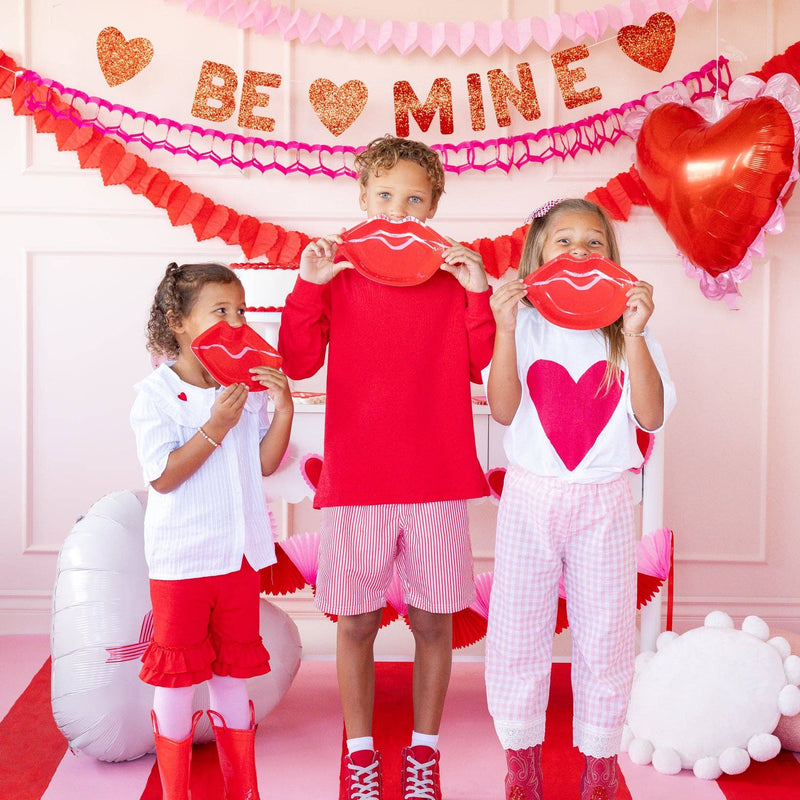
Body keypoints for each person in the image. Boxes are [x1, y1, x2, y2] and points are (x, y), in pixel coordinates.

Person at [278, 135, 495, 800]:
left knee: (434, 621)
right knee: (357, 621)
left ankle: (425, 755)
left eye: (413, 199)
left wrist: (478, 292)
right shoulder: (337, 272)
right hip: (360, 479)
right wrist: (309, 285)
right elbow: (297, 361)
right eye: (383, 196)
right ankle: (362, 756)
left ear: (433, 206)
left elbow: (477, 361)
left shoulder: (449, 277)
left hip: (435, 480)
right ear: (362, 199)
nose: (397, 209)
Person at [484, 199, 676, 800]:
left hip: (606, 498)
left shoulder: (626, 331)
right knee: (518, 630)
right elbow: (504, 409)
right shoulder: (528, 326)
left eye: (594, 243)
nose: (579, 253)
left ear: (612, 259)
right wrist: (505, 328)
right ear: (537, 254)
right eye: (563, 241)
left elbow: (652, 414)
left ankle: (598, 769)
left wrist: (638, 334)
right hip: (529, 498)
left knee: (606, 634)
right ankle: (522, 766)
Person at [130, 262, 293, 800]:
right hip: (184, 560)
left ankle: (243, 789)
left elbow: (265, 464)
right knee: (177, 678)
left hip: (239, 558)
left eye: (241, 311)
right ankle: (177, 791)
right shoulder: (154, 395)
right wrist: (215, 426)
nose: (235, 321)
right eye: (219, 311)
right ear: (178, 322)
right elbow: (164, 476)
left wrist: (282, 407)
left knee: (231, 675)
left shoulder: (240, 390)